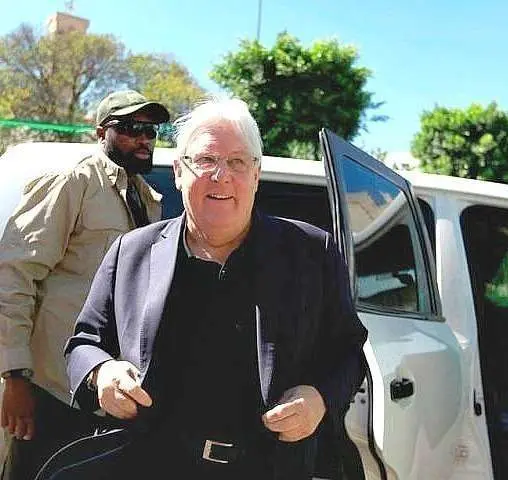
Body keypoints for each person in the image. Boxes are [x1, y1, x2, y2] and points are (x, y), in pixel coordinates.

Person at [64, 98, 368, 479]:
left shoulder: (312, 252)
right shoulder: (133, 250)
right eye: (206, 160)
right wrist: (102, 373)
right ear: (179, 171)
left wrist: (319, 398)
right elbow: (83, 342)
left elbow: (348, 351)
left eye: (238, 162)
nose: (221, 176)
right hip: (148, 463)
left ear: (256, 174)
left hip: (270, 468)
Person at [0, 90, 169, 479]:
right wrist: (15, 378)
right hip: (49, 391)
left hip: (104, 393)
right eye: (129, 128)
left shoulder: (149, 200)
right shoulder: (72, 182)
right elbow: (14, 275)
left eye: (150, 130)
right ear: (100, 132)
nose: (143, 138)